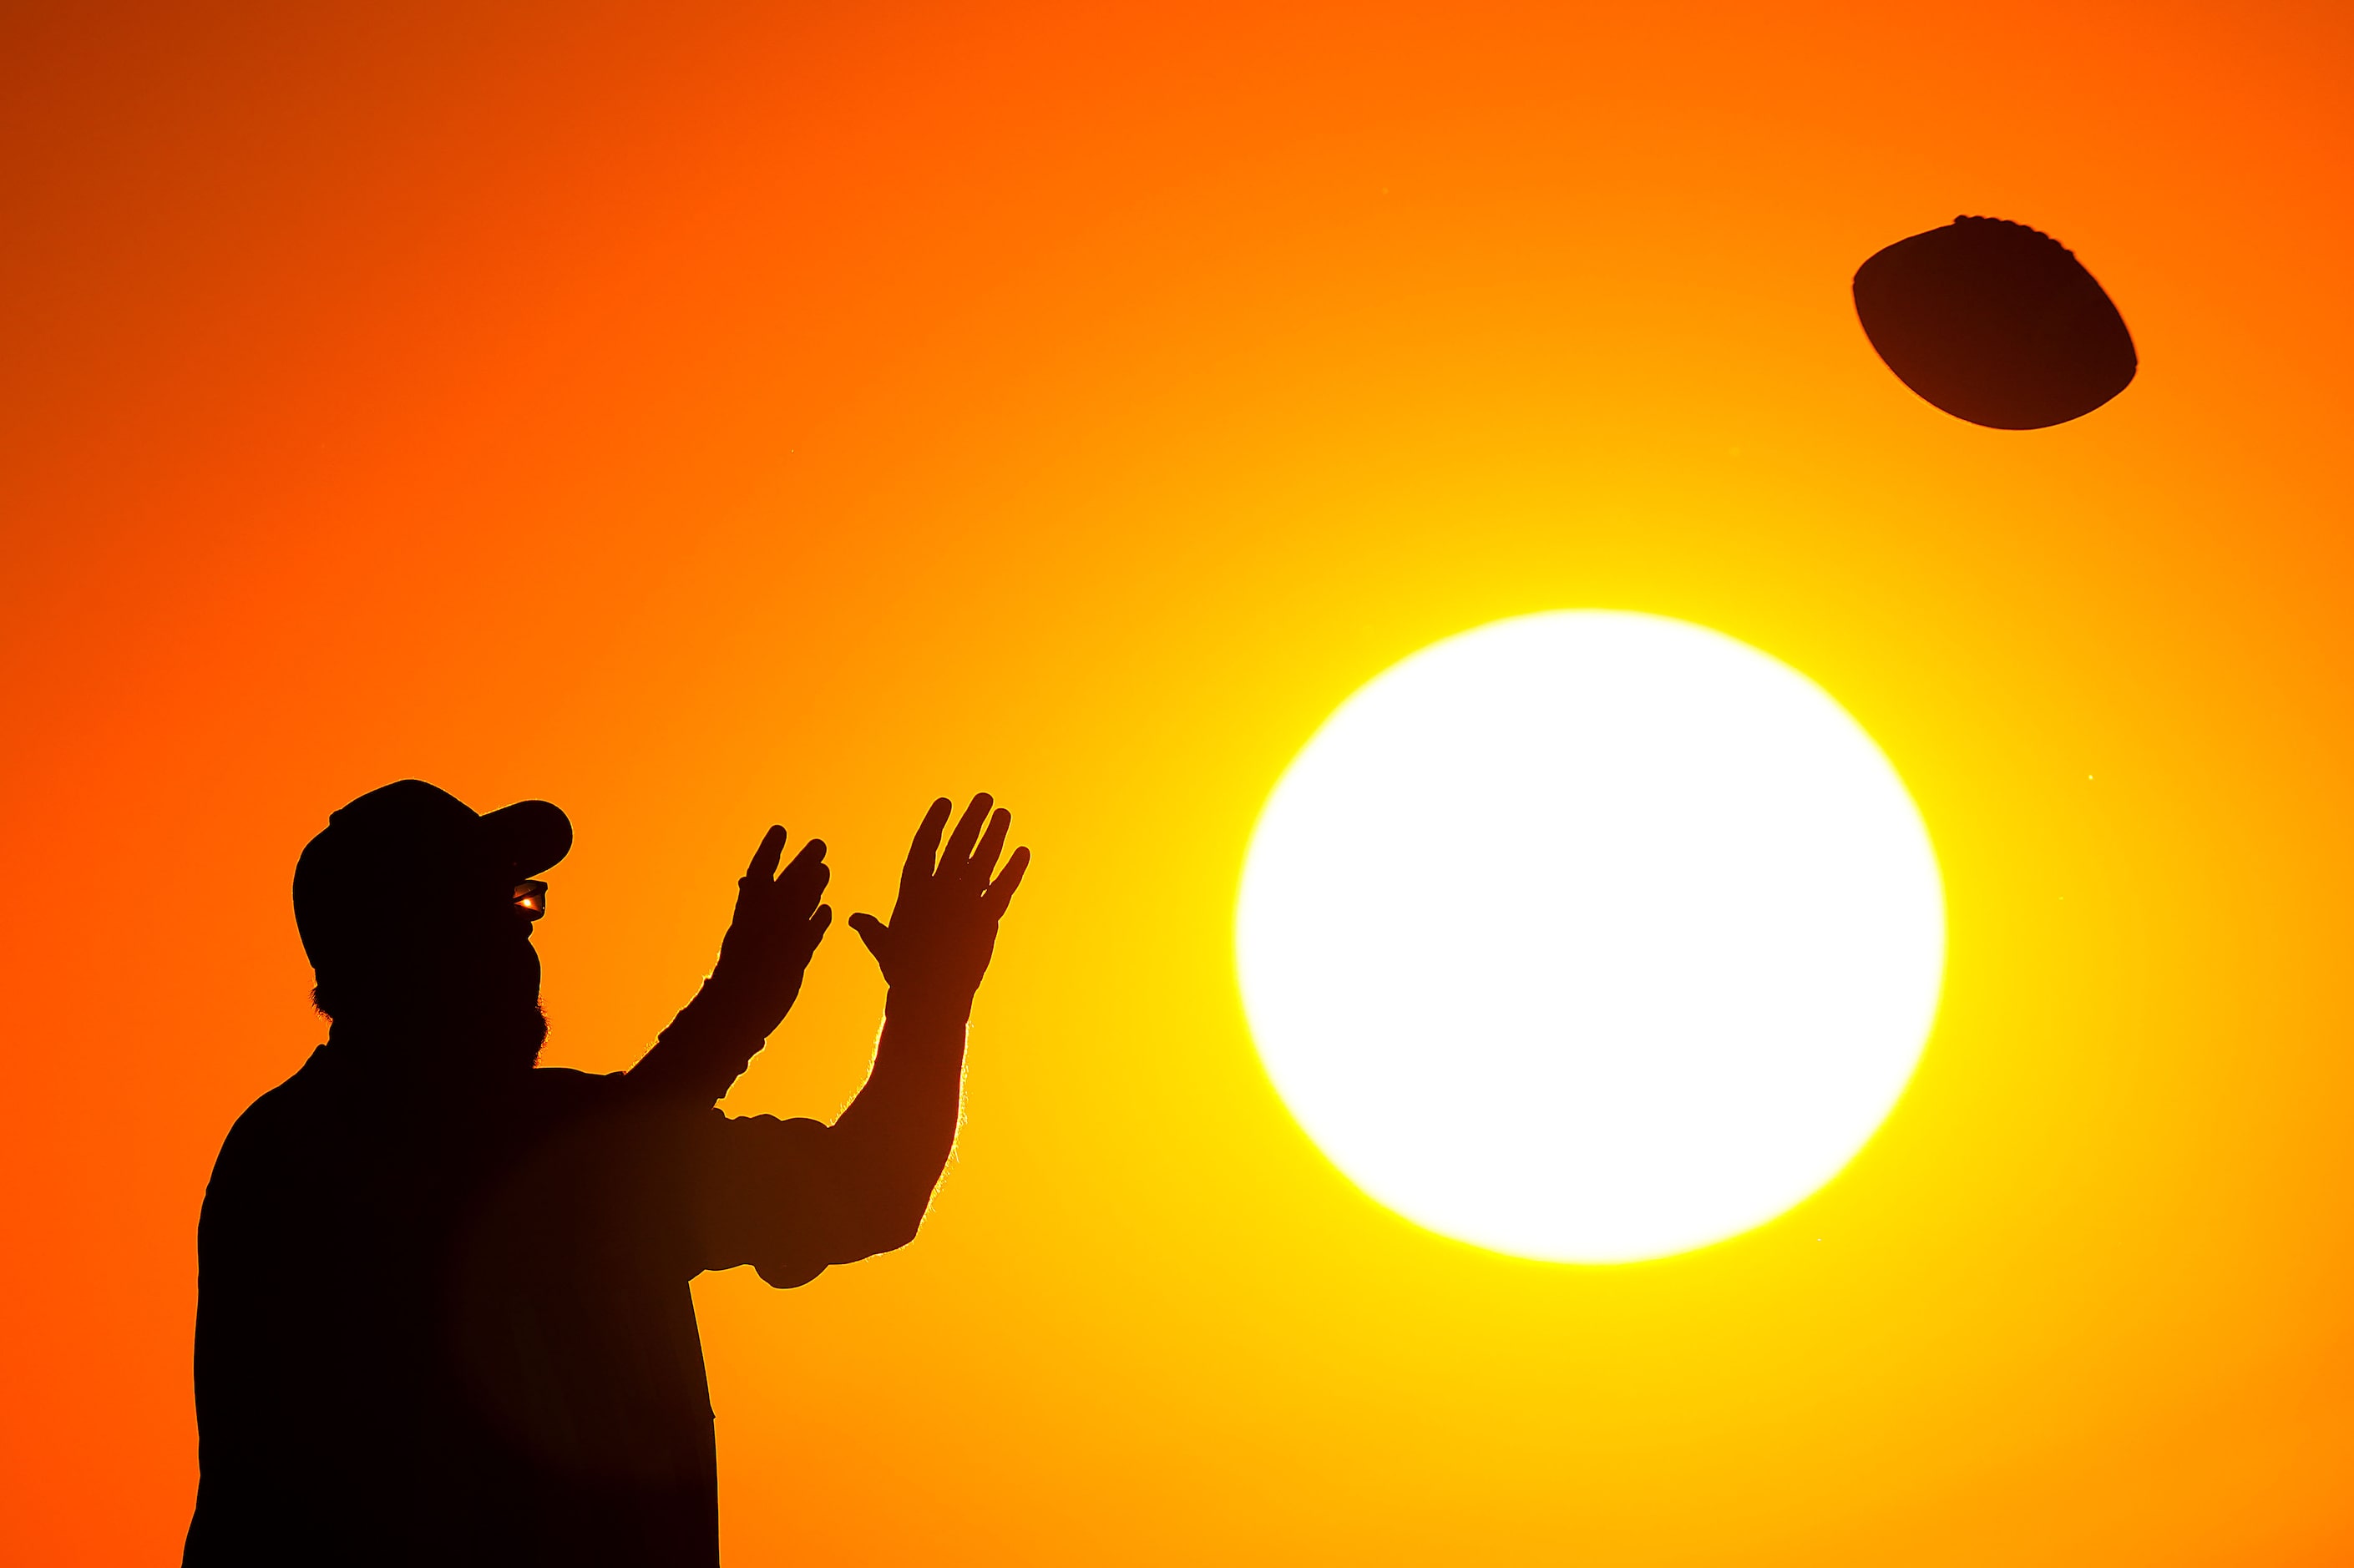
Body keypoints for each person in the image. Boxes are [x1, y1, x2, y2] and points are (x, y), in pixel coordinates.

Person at [184, 781, 1027, 1566]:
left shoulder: (557, 1136)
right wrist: (737, 1007)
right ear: (412, 957)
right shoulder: (302, 1164)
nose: (524, 952)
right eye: (494, 919)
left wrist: (931, 999)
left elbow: (869, 1193)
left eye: (523, 912)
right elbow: (550, 1208)